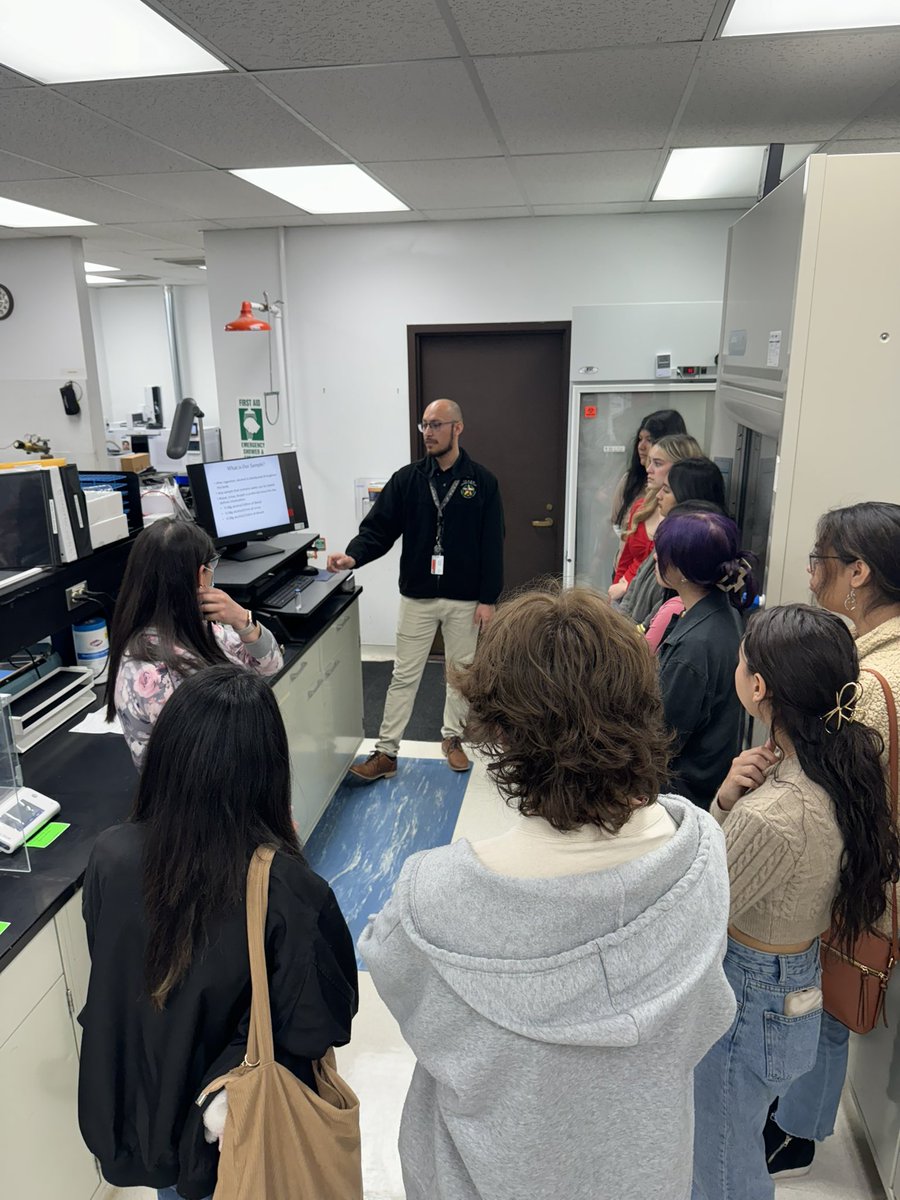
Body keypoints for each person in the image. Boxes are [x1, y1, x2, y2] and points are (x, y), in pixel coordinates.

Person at [360, 587, 735, 1200]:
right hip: (645, 1173)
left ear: (501, 733)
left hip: (480, 1176)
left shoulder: (434, 897)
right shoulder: (699, 855)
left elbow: (406, 996)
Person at [79, 665, 358, 1200]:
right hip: (233, 1131)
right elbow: (320, 1024)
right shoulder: (288, 889)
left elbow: (112, 966)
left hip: (148, 1115)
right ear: (268, 768)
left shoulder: (111, 856)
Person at [692, 605, 899, 1200]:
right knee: (735, 1136)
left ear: (758, 688)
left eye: (742, 659)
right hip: (794, 976)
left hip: (749, 989)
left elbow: (707, 905)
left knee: (724, 1159)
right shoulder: (840, 769)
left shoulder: (776, 813)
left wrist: (725, 807)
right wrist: (733, 797)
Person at [765, 501, 900, 1180]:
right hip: (878, 867)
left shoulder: (873, 686)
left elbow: (840, 797)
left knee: (821, 1000)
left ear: (859, 573)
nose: (812, 573)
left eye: (821, 559)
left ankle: (799, 1129)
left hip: (862, 877)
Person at [327, 397, 504, 780]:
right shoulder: (408, 480)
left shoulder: (482, 482)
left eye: (436, 424)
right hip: (417, 595)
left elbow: (493, 543)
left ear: (457, 428)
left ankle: (452, 739)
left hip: (465, 597)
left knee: (460, 673)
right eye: (424, 424)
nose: (428, 432)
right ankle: (387, 752)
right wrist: (353, 557)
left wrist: (489, 598)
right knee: (403, 674)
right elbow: (379, 528)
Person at [107, 517, 283, 768]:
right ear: (203, 574)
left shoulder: (146, 645)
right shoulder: (169, 672)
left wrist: (243, 620)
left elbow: (270, 664)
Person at [653, 508, 757, 807]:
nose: (656, 558)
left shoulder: (694, 648)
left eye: (662, 554)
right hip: (707, 779)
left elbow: (660, 740)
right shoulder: (724, 609)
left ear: (682, 571)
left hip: (681, 795)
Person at [619, 457, 727, 631]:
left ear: (688, 497)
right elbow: (635, 584)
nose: (659, 495)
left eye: (667, 490)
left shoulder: (690, 559)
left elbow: (652, 625)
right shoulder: (669, 535)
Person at [609, 433, 703, 601]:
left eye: (657, 463)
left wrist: (628, 586)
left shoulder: (693, 523)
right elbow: (625, 560)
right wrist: (613, 597)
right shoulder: (641, 507)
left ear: (680, 469)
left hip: (659, 599)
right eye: (649, 461)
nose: (648, 469)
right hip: (625, 597)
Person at [611, 408, 687, 534]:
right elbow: (616, 522)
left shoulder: (685, 487)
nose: (641, 446)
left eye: (650, 440)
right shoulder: (631, 480)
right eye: (640, 439)